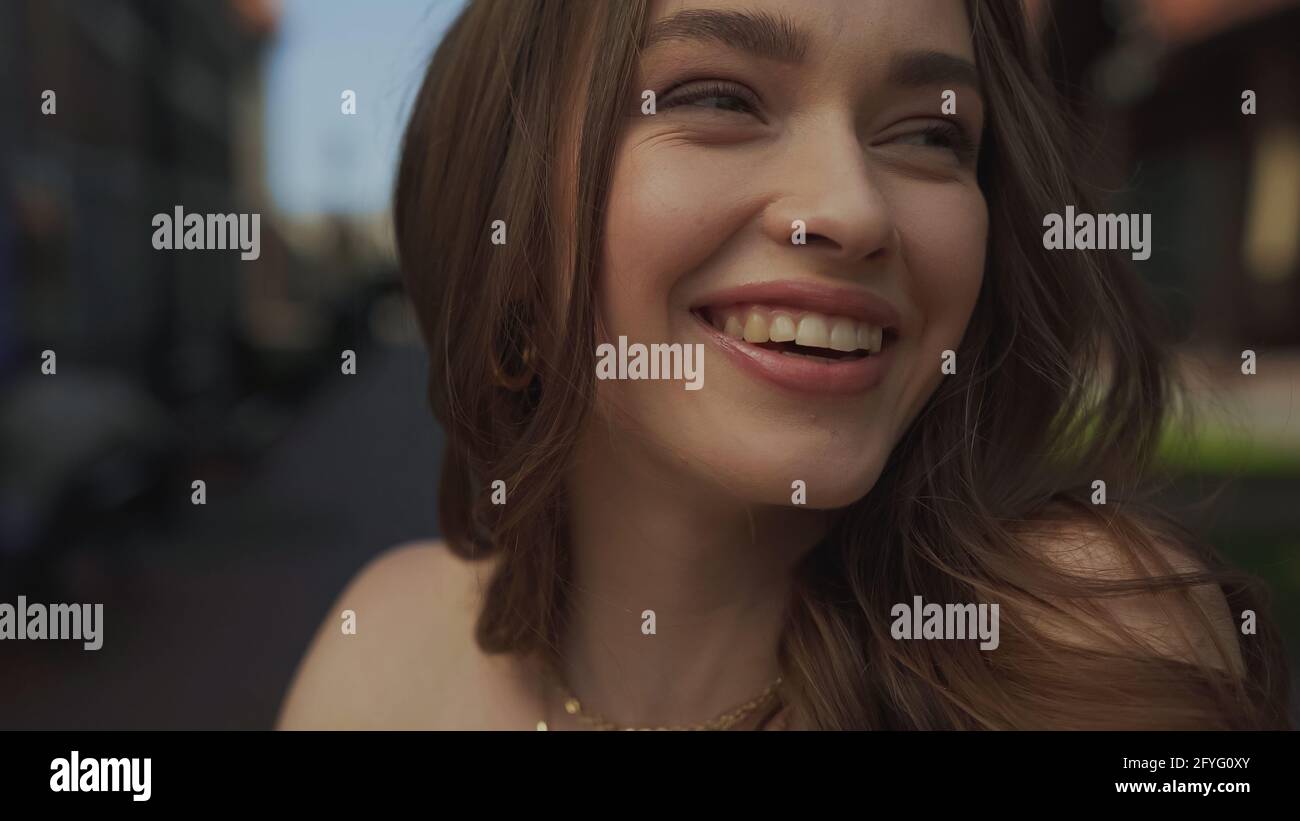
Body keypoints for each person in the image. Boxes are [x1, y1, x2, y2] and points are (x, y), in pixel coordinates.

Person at [277, 0, 1290, 730]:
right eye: (718, 96)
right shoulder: (385, 645)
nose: (850, 208)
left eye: (933, 133)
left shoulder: (1090, 635)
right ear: (510, 229)